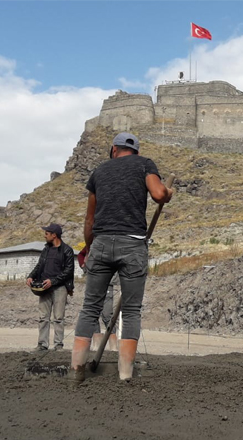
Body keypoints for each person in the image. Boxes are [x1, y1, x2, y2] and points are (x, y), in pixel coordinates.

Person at [70, 132, 173, 385]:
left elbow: (89, 220)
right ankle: (125, 374)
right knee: (132, 310)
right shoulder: (144, 164)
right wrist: (168, 192)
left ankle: (76, 371)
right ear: (135, 151)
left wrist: (90, 248)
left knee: (90, 308)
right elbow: (158, 194)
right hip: (132, 244)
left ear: (114, 150)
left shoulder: (99, 172)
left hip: (102, 243)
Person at [26, 223, 75, 351]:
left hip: (60, 288)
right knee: (43, 318)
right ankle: (42, 344)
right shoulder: (46, 249)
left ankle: (58, 345)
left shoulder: (67, 250)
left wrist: (53, 281)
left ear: (54, 235)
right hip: (43, 288)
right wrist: (30, 276)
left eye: (47, 234)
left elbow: (68, 271)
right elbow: (39, 266)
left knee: (58, 317)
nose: (44, 236)